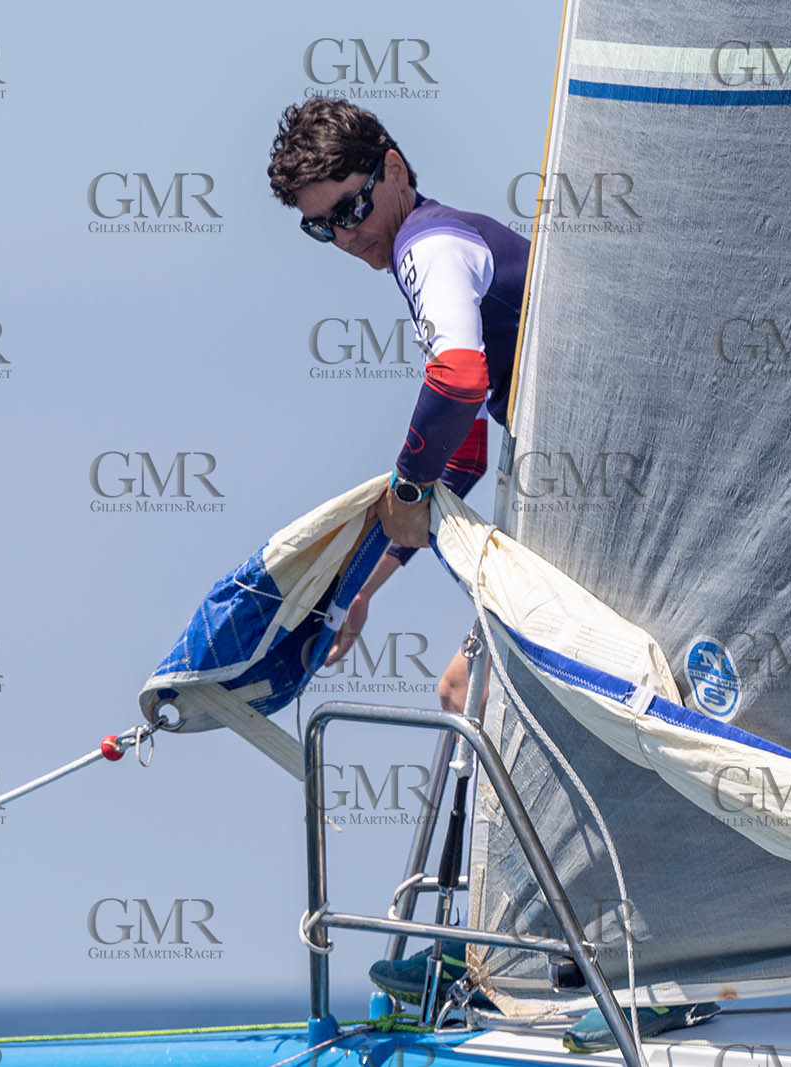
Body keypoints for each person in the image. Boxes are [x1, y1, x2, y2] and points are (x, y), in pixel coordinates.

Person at [267, 97, 717, 1052]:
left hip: (636, 499)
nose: (345, 236)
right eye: (320, 226)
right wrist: (365, 588)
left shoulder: (430, 245)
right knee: (467, 685)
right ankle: (499, 949)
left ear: (391, 168)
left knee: (526, 696)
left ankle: (620, 959)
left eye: (350, 208)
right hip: (611, 492)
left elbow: (458, 384)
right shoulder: (440, 247)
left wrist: (404, 481)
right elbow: (464, 450)